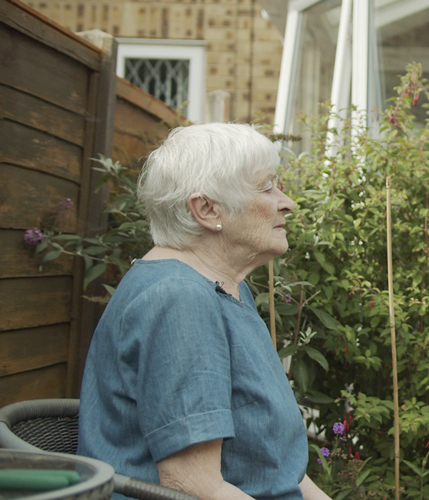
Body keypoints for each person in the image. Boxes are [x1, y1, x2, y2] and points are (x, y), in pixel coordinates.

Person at [77, 123, 331, 500]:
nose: (287, 202)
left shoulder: (224, 286)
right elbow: (195, 487)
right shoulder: (179, 300)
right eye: (267, 187)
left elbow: (281, 470)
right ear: (207, 209)